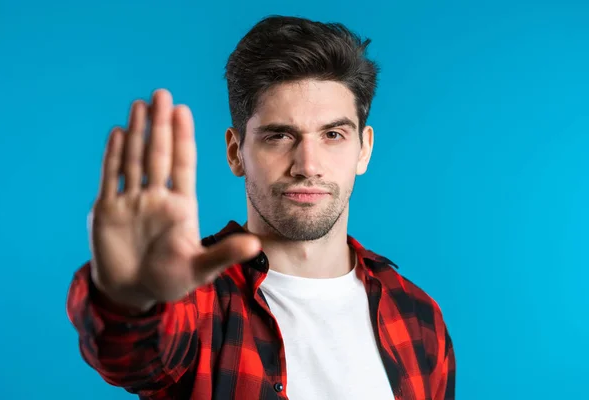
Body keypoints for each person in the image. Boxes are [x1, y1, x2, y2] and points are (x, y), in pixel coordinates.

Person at [66, 15, 455, 400]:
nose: (308, 165)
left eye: (333, 135)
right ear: (236, 153)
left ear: (364, 149)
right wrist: (129, 303)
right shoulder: (194, 298)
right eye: (279, 136)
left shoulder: (418, 317)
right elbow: (133, 357)